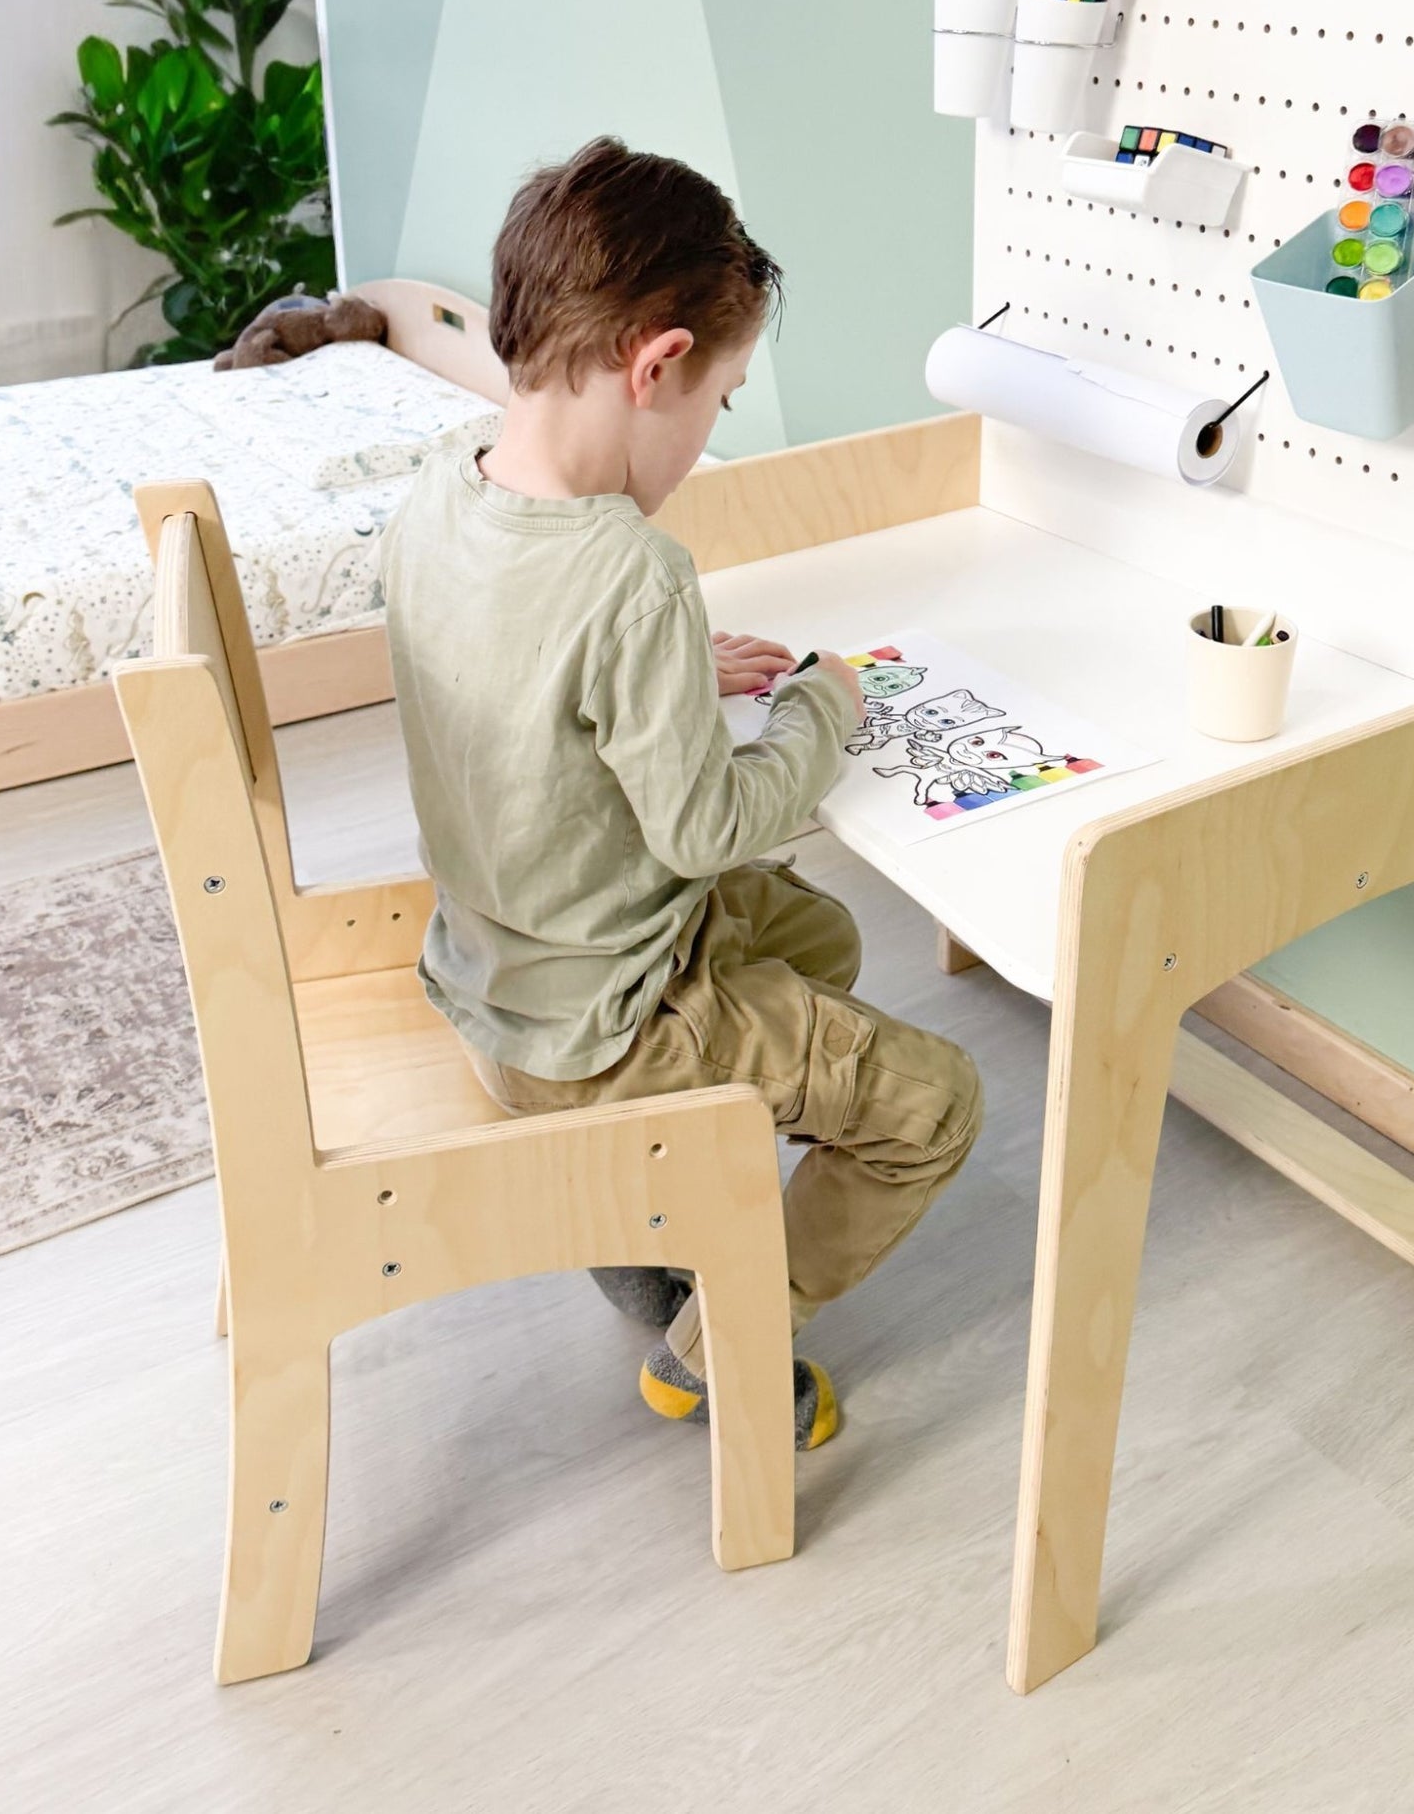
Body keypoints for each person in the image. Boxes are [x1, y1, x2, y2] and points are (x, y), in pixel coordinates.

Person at [379, 138, 982, 1449]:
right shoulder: (630, 570)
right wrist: (823, 702)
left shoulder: (437, 490)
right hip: (598, 1029)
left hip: (494, 968)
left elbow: (508, 660)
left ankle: (644, 1208)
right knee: (935, 1102)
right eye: (715, 405)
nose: (706, 442)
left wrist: (664, 674)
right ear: (654, 367)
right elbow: (708, 828)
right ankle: (717, 1342)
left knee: (818, 937)